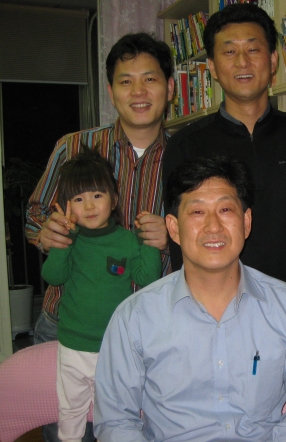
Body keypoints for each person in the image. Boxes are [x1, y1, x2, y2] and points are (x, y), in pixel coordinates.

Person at [94, 156, 286, 441]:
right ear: (173, 228)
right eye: (197, 212)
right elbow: (116, 421)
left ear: (246, 222)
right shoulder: (134, 317)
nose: (213, 226)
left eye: (225, 209)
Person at [25, 31, 174, 441]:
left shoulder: (186, 155)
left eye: (150, 79)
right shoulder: (74, 146)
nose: (138, 92)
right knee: (68, 429)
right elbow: (34, 215)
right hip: (66, 326)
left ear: (170, 87)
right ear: (111, 91)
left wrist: (171, 238)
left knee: (130, 430)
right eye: (126, 81)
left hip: (145, 332)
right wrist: (46, 233)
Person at [162, 3, 286, 291]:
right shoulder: (186, 146)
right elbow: (182, 245)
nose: (242, 62)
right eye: (229, 52)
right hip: (223, 304)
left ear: (273, 60)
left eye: (253, 49)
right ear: (212, 67)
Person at [41, 150, 161, 441]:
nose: (89, 205)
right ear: (66, 206)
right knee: (70, 410)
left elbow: (147, 279)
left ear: (114, 200)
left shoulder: (127, 240)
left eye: (97, 195)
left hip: (114, 347)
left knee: (115, 413)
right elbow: (53, 276)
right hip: (72, 345)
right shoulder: (70, 240)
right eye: (78, 199)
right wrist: (63, 242)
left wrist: (148, 243)